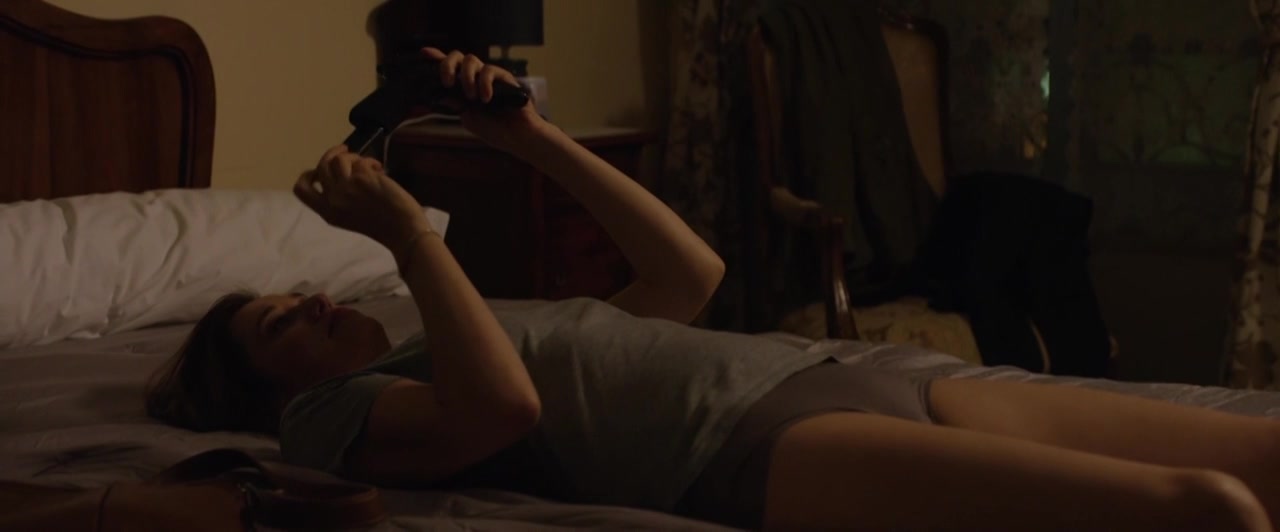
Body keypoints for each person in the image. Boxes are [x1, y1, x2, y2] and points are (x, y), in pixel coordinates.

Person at [145, 48, 1280, 532]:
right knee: (1203, 511)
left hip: (833, 371)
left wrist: (525, 136)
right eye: (277, 324)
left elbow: (691, 276)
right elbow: (504, 410)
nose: (310, 303)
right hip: (755, 446)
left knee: (1263, 455)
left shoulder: (455, 338)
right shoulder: (326, 418)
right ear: (263, 387)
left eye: (296, 292)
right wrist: (404, 232)